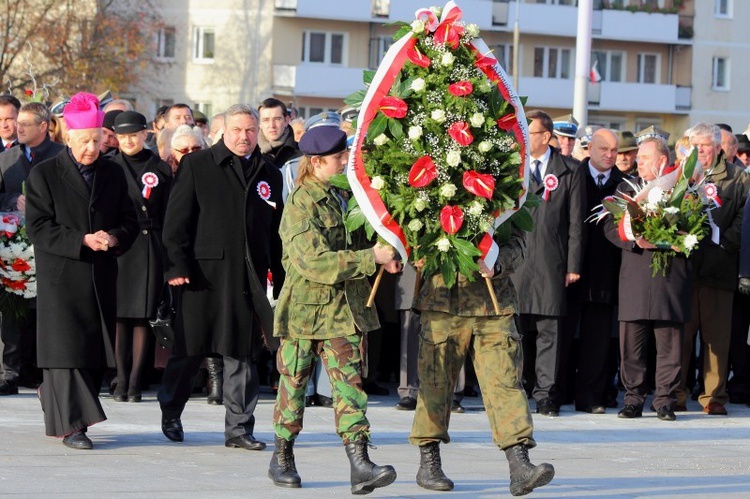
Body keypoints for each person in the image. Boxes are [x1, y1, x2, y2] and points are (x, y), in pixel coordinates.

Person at [269, 125, 398, 493]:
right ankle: (282, 457)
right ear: (315, 162)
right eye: (338, 157)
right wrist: (368, 258)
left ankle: (360, 465)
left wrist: (384, 256)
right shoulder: (300, 203)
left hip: (344, 311)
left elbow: (360, 236)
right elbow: (313, 261)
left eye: (345, 154)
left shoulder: (346, 194)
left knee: (350, 388)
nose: (345, 161)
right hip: (305, 314)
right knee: (293, 387)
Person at [158, 104, 284, 451]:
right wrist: (176, 267)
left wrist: (280, 273)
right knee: (189, 350)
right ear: (223, 132)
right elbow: (176, 222)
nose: (244, 137)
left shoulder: (268, 173)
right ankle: (171, 410)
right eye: (237, 130)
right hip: (202, 277)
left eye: (250, 131)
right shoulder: (198, 165)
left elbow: (274, 231)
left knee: (241, 352)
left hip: (247, 277)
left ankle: (239, 428)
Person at [25, 92, 138, 449]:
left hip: (100, 273)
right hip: (61, 273)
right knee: (65, 349)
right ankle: (74, 426)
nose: (91, 148)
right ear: (68, 137)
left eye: (96, 140)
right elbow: (39, 227)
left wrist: (114, 238)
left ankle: (55, 397)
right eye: (84, 141)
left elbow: (129, 221)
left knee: (91, 351)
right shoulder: (45, 173)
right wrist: (81, 240)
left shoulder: (114, 173)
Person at [408, 217, 554, 495]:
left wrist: (497, 263)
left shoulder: (506, 193)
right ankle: (429, 462)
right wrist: (419, 255)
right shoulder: (434, 184)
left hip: (494, 303)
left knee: (505, 381)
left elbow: (519, 243)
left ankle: (519, 464)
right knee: (434, 384)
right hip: (442, 301)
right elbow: (411, 234)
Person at [605, 137, 693, 422]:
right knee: (632, 344)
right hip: (635, 275)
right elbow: (609, 226)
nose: (638, 161)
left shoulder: (683, 190)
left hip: (670, 275)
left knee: (670, 344)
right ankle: (633, 399)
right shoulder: (625, 189)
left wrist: (676, 237)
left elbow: (695, 225)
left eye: (644, 157)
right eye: (639, 157)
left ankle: (665, 400)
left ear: (661, 160)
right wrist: (633, 239)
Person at [511, 110, 585, 417]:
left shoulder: (569, 169)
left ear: (545, 136)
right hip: (515, 262)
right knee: (515, 332)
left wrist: (573, 264)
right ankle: (514, 392)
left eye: (530, 133)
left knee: (548, 332)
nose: (524, 138)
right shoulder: (511, 168)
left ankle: (546, 394)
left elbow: (576, 222)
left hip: (551, 261)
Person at [675, 123, 749, 415]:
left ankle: (713, 396)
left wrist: (721, 239)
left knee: (717, 338)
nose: (700, 150)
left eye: (705, 145)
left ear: (718, 147)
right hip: (685, 269)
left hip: (720, 267)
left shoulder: (737, 178)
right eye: (695, 145)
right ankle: (676, 392)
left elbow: (745, 218)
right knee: (680, 336)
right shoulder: (682, 173)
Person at [0, 102, 64, 396]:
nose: (18, 127)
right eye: (17, 123)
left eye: (25, 123)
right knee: (13, 310)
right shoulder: (7, 157)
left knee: (47, 311)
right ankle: (9, 371)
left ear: (43, 127)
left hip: (50, 245)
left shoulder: (62, 157)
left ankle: (44, 373)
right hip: (14, 248)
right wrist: (13, 198)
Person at [110, 111, 173, 403]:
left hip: (148, 244)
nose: (128, 141)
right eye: (122, 136)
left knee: (142, 317)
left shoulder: (159, 167)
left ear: (145, 134)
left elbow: (169, 211)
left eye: (133, 135)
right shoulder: (109, 165)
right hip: (119, 245)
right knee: (119, 316)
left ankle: (135, 383)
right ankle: (120, 379)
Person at [562, 129, 624, 414]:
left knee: (598, 340)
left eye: (613, 150)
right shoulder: (573, 176)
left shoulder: (624, 185)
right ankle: (560, 391)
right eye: (603, 149)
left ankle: (591, 397)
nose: (609, 155)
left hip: (605, 273)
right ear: (589, 149)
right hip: (570, 271)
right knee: (563, 335)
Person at [258, 98, 301, 168]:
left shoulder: (301, 153)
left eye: (277, 119)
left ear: (286, 121)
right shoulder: (249, 151)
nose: (272, 125)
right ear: (259, 123)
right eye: (266, 120)